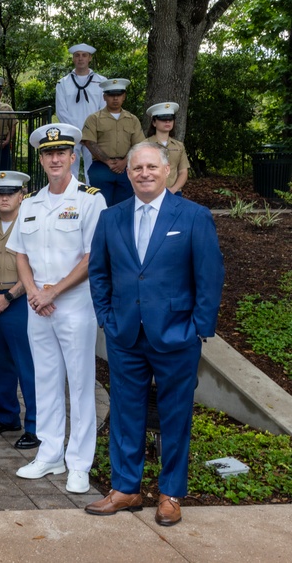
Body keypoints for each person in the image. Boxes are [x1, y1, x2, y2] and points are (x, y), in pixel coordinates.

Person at [86, 141, 223, 526]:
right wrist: (106, 318)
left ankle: (170, 494)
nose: (144, 173)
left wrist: (200, 327)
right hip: (125, 334)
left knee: (175, 416)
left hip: (177, 334)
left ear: (166, 170)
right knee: (126, 414)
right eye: (136, 168)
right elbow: (99, 272)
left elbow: (209, 275)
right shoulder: (111, 218)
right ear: (128, 174)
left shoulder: (194, 216)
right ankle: (126, 489)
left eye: (151, 167)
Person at [6, 123, 106, 494]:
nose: (54, 159)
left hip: (75, 306)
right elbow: (20, 254)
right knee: (45, 380)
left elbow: (91, 257)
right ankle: (50, 454)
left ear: (73, 156)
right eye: (48, 154)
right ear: (42, 159)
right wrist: (33, 292)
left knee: (80, 384)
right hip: (38, 306)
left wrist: (53, 292)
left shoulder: (90, 199)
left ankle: (79, 463)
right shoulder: (30, 204)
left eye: (61, 152)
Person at [0, 170, 39, 450]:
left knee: (27, 366)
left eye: (10, 193)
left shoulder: (31, 224)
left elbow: (36, 269)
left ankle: (35, 425)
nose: (4, 197)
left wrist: (8, 296)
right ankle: (6, 416)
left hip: (20, 302)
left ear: (21, 195)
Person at [82, 78, 144, 206]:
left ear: (124, 96)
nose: (115, 98)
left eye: (119, 94)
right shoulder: (94, 119)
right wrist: (108, 162)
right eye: (111, 95)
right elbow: (89, 142)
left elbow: (139, 145)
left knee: (125, 206)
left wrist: (124, 162)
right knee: (101, 206)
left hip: (126, 168)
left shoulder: (132, 119)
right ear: (104, 97)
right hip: (101, 168)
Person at [55, 43, 107, 183]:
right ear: (73, 58)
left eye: (84, 55)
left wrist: (91, 131)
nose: (80, 58)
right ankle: (71, 198)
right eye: (77, 55)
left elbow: (104, 109)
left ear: (90, 58)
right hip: (71, 133)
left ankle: (93, 198)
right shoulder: (63, 83)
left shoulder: (102, 82)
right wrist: (77, 132)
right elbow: (61, 111)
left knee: (94, 169)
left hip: (95, 133)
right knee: (70, 169)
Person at [144, 102, 190, 196]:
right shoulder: (144, 145)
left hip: (174, 193)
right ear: (154, 122)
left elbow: (183, 171)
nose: (167, 122)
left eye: (170, 119)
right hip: (150, 192)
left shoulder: (179, 146)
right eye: (163, 119)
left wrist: (173, 189)